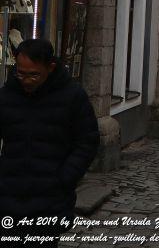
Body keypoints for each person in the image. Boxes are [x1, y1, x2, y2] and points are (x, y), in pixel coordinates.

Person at [0, 39, 99, 241]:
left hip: (50, 198)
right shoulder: (7, 96)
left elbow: (87, 141)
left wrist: (64, 177)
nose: (26, 80)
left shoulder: (72, 96)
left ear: (50, 68)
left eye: (34, 75)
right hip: (9, 195)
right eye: (21, 73)